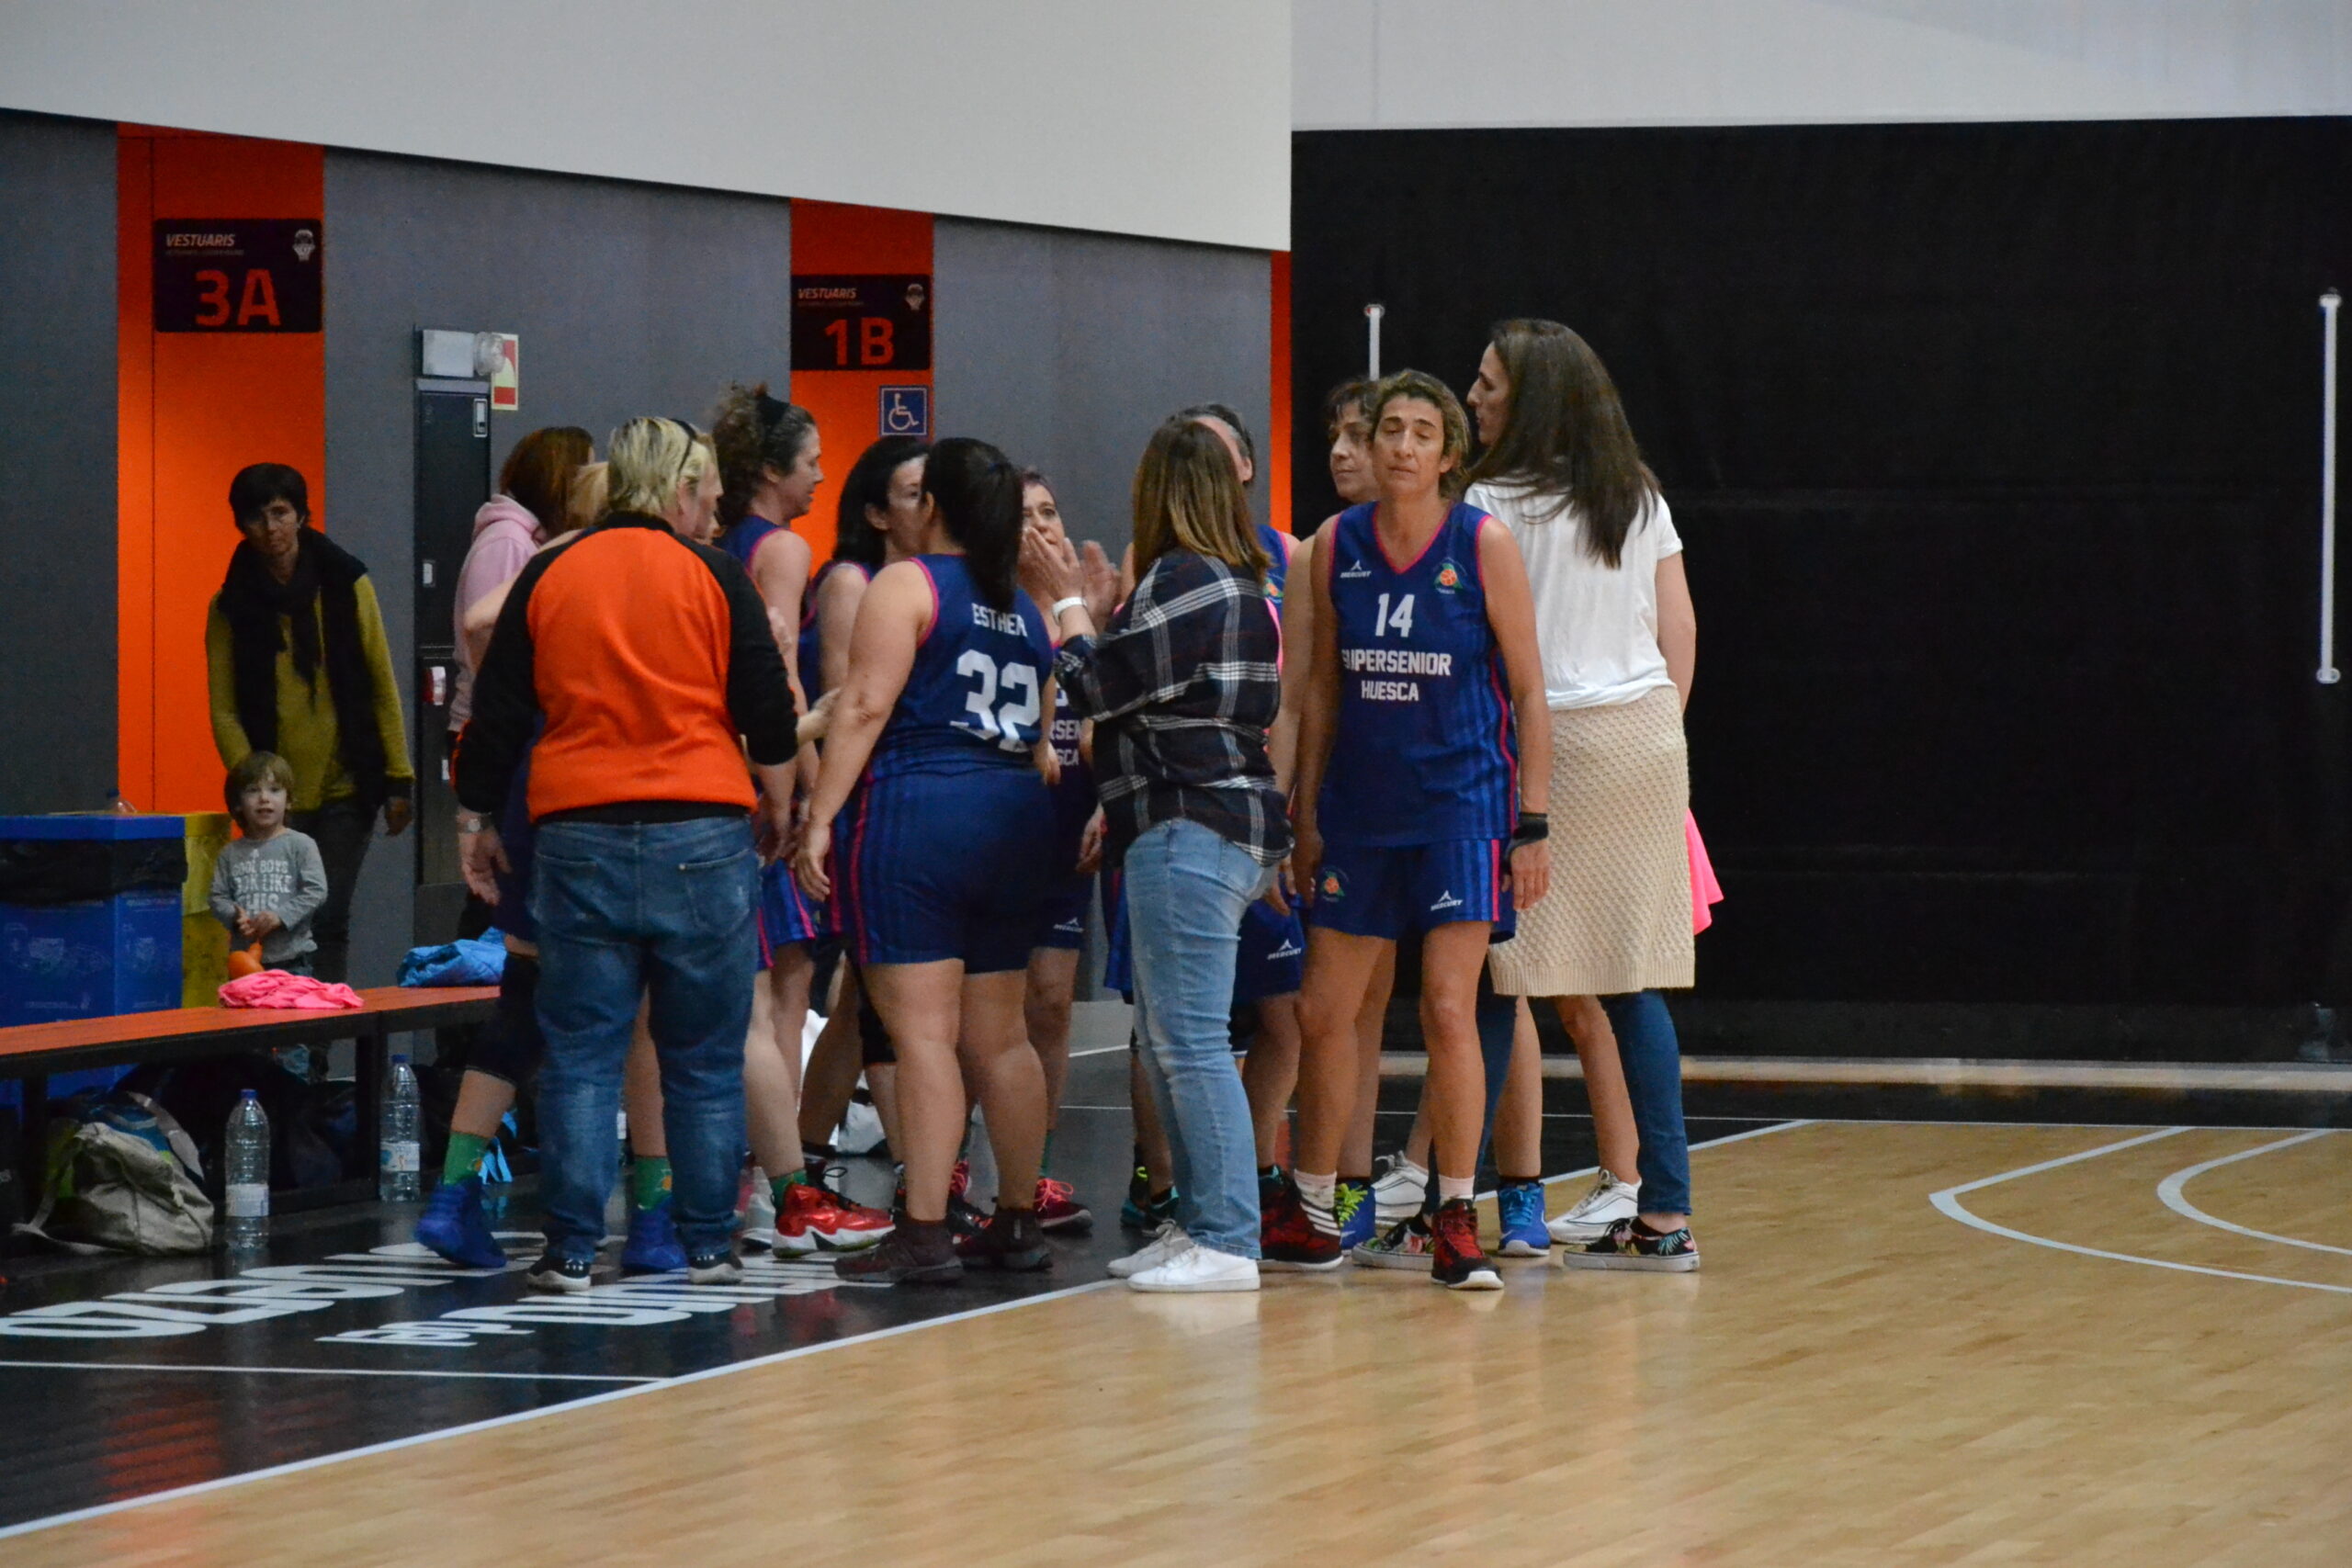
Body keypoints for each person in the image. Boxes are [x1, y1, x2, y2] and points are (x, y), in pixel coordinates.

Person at [457, 417, 797, 1292]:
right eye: (709, 494)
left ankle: (571, 1249)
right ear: (681, 489)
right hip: (703, 830)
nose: (713, 510)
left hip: (579, 832)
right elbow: (766, 707)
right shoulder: (715, 574)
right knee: (704, 1057)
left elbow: (497, 714)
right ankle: (708, 1240)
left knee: (581, 1053)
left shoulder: (552, 571)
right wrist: (783, 803)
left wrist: (477, 818)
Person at [1269, 370, 1553, 1291]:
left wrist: (1534, 822)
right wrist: (1303, 813)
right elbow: (1315, 689)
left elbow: (1527, 688)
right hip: (1357, 812)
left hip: (1461, 811)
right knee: (1322, 1011)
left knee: (1444, 1007)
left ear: (1447, 454)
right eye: (1388, 427)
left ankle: (1455, 1215)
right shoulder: (1331, 546)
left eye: (1421, 431)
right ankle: (1318, 1209)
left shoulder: (1482, 544)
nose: (1399, 445)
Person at [1024, 415, 1289, 1294]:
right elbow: (1147, 706)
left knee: (1193, 1044)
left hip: (1193, 827)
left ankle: (1227, 1236)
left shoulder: (1189, 579)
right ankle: (1203, 1224)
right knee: (1175, 1038)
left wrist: (1066, 605)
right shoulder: (1233, 583)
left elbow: (1097, 686)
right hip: (1193, 823)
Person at [1464, 319, 1702, 1271]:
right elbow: (1679, 630)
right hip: (1646, 737)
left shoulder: (1488, 502)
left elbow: (1494, 652)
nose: (1472, 398)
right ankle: (1666, 1214)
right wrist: (1658, 739)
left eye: (1486, 385)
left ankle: (1451, 1198)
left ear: (1529, 398)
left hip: (1544, 744)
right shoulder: (1635, 494)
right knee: (1629, 982)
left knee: (1491, 970)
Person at [795, 437, 1057, 1284]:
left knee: (922, 1037)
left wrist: (822, 816)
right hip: (1016, 815)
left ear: (932, 506)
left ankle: (926, 1230)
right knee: (1002, 1037)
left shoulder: (905, 584)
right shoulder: (1024, 604)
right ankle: (1018, 1218)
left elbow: (866, 705)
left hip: (922, 812)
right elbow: (1049, 736)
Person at [708, 386, 892, 1258]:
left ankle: (737, 1179)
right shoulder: (780, 548)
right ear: (772, 470)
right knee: (778, 1003)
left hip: (720, 778)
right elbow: (778, 675)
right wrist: (808, 801)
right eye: (811, 458)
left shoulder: (713, 541)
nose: (823, 472)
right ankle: (777, 1187)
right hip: (764, 788)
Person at [207, 463, 413, 983]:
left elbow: (380, 682)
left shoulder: (346, 584)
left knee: (328, 913)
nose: (270, 528)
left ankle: (318, 1048)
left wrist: (399, 777)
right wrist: (252, 781)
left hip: (348, 780)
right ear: (240, 525)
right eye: (255, 517)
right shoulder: (230, 606)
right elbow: (225, 706)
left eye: (280, 513)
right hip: (275, 793)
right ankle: (279, 1045)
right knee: (272, 928)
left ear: (302, 515)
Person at [793, 435, 929, 1187]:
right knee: (881, 997)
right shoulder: (852, 578)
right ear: (876, 511)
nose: (929, 506)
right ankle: (922, 1177)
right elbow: (847, 707)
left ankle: (805, 1156)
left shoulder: (920, 579)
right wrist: (825, 814)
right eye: (913, 493)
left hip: (884, 803)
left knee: (853, 1004)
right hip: (860, 804)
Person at [1018, 470, 1105, 1234]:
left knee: (1049, 1001)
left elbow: (1116, 717)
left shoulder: (1085, 618)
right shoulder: (992, 608)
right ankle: (942, 1168)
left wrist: (1108, 799)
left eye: (1050, 511)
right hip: (997, 826)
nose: (1041, 528)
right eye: (1023, 516)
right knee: (970, 1014)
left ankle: (1034, 1171)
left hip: (1068, 827)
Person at [449, 427, 595, 746]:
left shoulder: (526, 540)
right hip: (490, 727)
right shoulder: (508, 542)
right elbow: (489, 640)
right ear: (562, 482)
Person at [209, 751, 328, 974]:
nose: (264, 798)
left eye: (274, 790)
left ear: (289, 800)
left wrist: (280, 916)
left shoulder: (300, 845)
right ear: (238, 805)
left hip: (292, 961)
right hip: (244, 963)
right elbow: (217, 896)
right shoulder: (230, 853)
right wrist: (234, 917)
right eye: (253, 791)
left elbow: (316, 891)